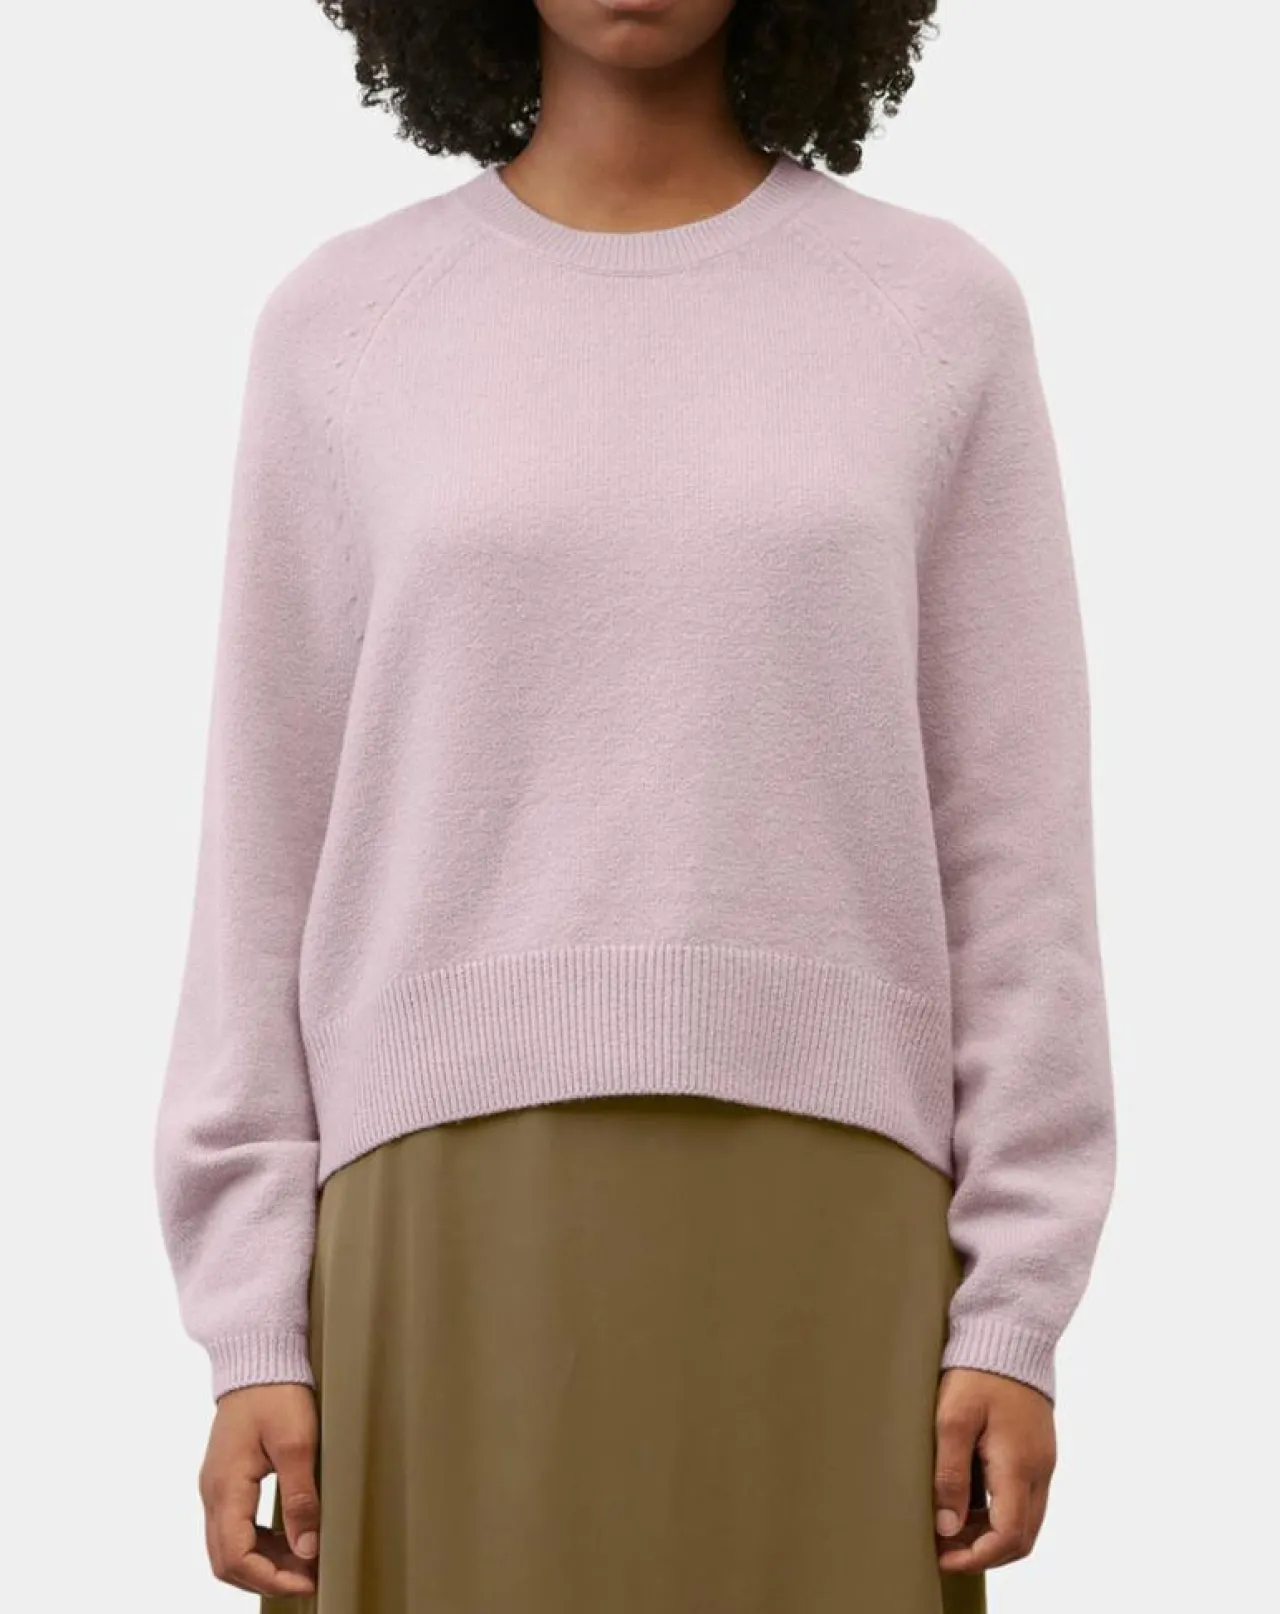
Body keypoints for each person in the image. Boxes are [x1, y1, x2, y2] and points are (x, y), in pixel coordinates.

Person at [153, 0, 1117, 1608]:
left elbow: (1016, 847)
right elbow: (262, 847)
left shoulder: (936, 314)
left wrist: (1018, 1303)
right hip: (436, 1229)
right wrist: (249, 1318)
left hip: (843, 1227)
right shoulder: (346, 326)